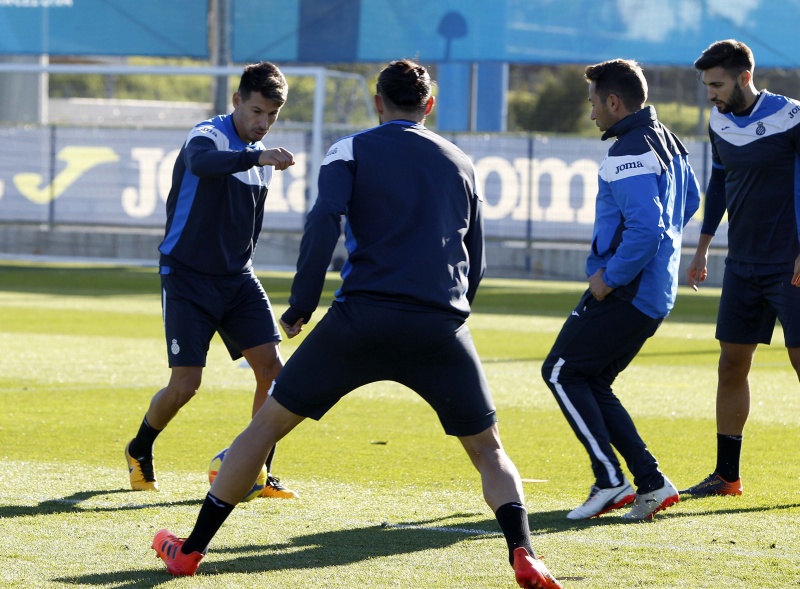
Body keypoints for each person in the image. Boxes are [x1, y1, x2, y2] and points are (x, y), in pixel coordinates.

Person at [148, 59, 562, 589]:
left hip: (360, 319)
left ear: (377, 102)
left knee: (264, 427)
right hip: (440, 325)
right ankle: (525, 553)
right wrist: (457, 315)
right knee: (489, 451)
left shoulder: (348, 150)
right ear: (429, 106)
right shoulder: (461, 161)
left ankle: (190, 552)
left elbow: (325, 219)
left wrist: (301, 303)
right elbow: (474, 254)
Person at [124, 61, 298, 500]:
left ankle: (258, 471)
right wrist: (256, 155)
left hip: (237, 280)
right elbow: (202, 163)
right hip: (186, 278)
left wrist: (258, 156)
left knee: (274, 373)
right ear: (237, 100)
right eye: (256, 111)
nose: (263, 123)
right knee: (185, 386)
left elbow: (250, 226)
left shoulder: (261, 159)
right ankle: (139, 447)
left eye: (272, 115)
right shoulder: (208, 135)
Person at [540, 59, 700, 521]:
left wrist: (609, 277)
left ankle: (610, 481)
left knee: (561, 372)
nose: (591, 112)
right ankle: (651, 482)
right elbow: (689, 201)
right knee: (590, 380)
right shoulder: (667, 139)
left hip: (626, 288)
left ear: (613, 101)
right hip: (653, 290)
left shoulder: (628, 151)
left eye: (593, 102)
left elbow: (646, 230)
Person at [681, 40, 800, 497]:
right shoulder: (720, 121)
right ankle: (727, 477)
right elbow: (720, 181)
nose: (710, 94)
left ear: (744, 78)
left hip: (790, 264)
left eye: (716, 85)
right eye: (706, 85)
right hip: (743, 264)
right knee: (731, 364)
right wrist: (703, 247)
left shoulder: (791, 116)